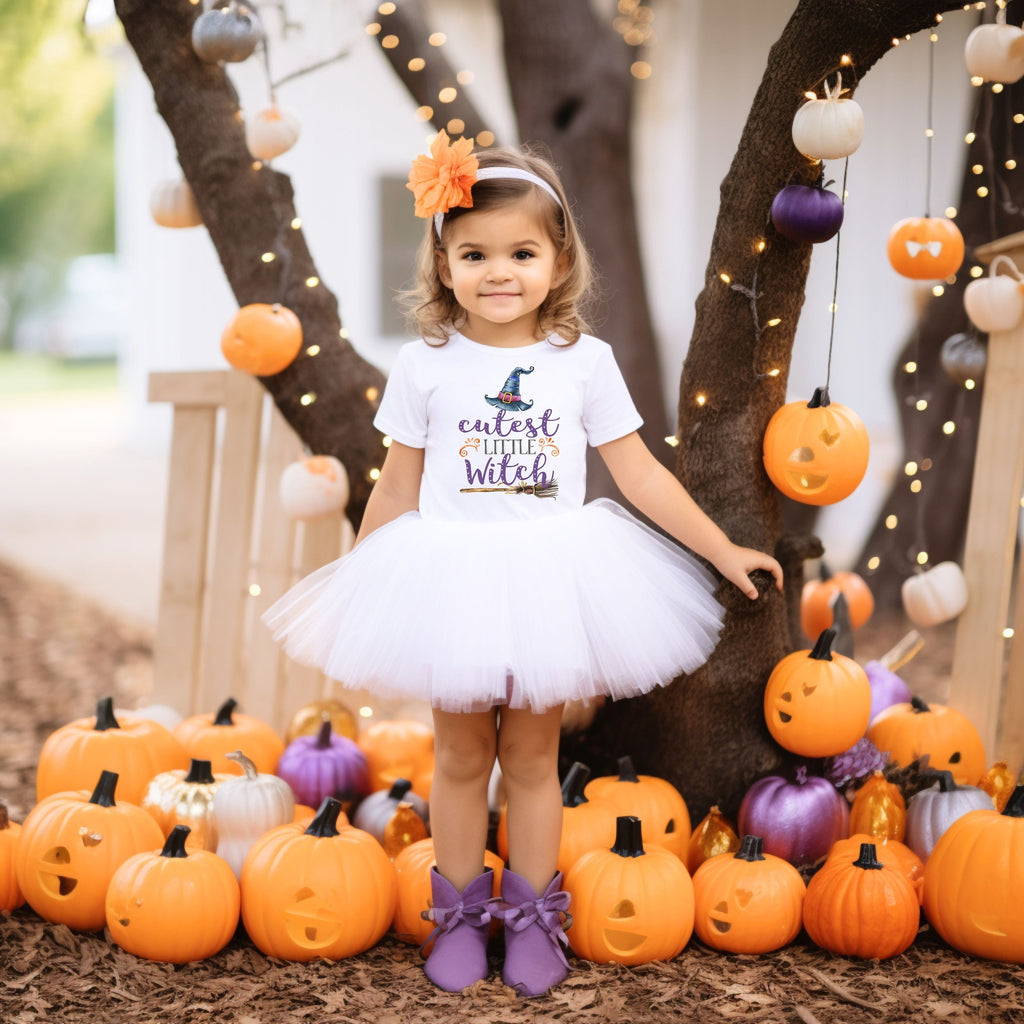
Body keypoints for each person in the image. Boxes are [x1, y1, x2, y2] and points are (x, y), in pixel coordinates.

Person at [264, 131, 783, 997]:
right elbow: (396, 489)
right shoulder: (426, 366)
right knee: (462, 757)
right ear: (442, 264)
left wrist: (720, 548)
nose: (497, 272)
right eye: (474, 254)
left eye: (520, 252)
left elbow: (640, 471)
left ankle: (534, 915)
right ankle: (461, 915)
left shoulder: (582, 362)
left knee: (535, 761)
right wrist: (360, 586)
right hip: (453, 580)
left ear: (558, 258)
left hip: (548, 578)